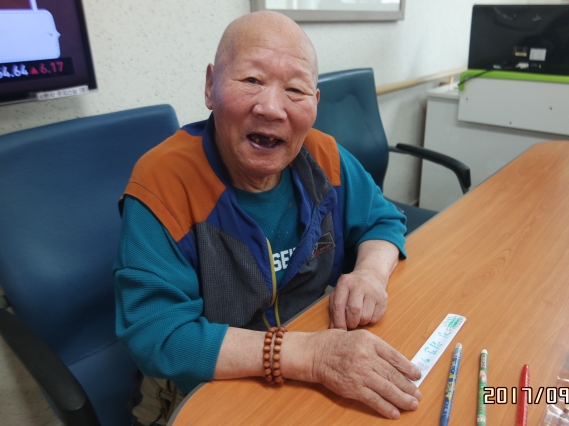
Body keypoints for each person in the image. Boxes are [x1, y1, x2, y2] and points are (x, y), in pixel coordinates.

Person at [114, 11, 421, 425]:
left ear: (315, 103)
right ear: (210, 86)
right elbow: (160, 336)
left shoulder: (323, 156)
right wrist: (307, 355)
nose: (272, 108)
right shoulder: (162, 183)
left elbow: (383, 220)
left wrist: (369, 274)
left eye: (295, 89)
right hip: (208, 387)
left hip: (307, 366)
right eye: (251, 80)